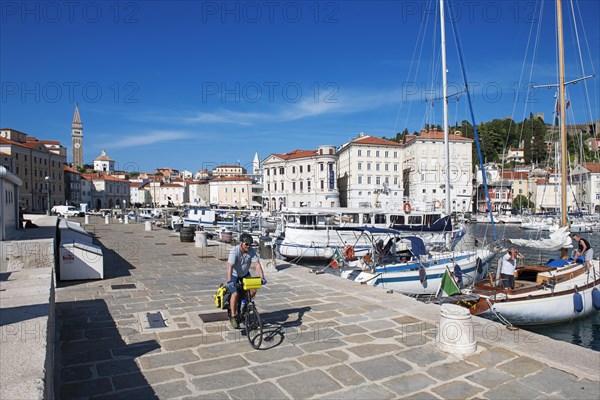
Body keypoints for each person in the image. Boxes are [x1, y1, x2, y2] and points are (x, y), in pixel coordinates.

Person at [226, 232, 266, 329]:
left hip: (245, 274)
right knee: (234, 294)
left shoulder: (251, 251)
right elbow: (230, 267)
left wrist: (262, 277)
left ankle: (244, 305)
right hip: (235, 275)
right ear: (241, 243)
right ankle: (233, 316)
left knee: (253, 290)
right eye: (246, 244)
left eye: (250, 244)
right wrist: (230, 282)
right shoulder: (234, 251)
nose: (248, 246)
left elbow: (257, 265)